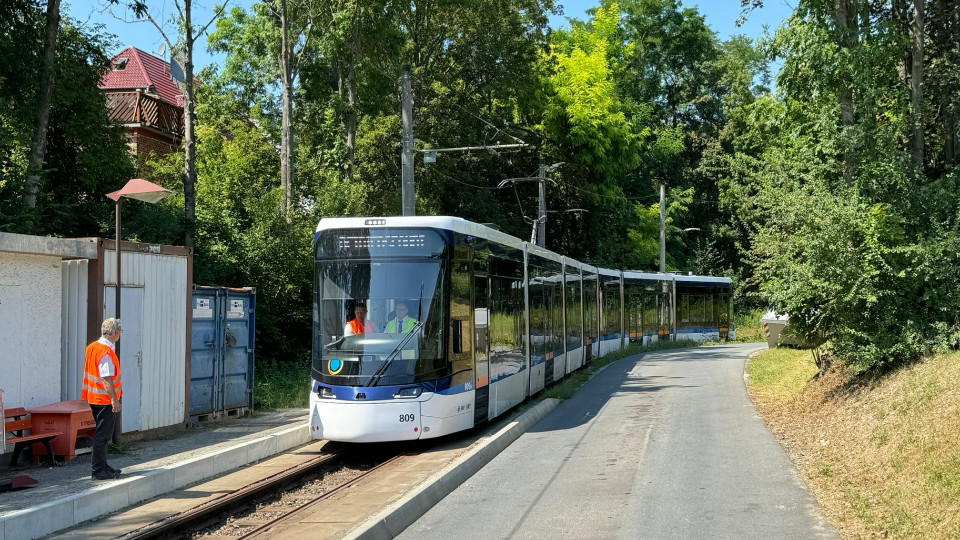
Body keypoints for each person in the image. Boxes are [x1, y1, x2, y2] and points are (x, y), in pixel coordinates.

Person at [82, 317, 124, 480]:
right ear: (115, 332)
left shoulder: (92, 347)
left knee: (102, 435)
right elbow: (106, 378)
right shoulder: (105, 352)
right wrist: (114, 399)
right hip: (104, 400)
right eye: (119, 332)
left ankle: (103, 467)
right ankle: (98, 470)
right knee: (102, 436)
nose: (119, 334)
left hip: (94, 397)